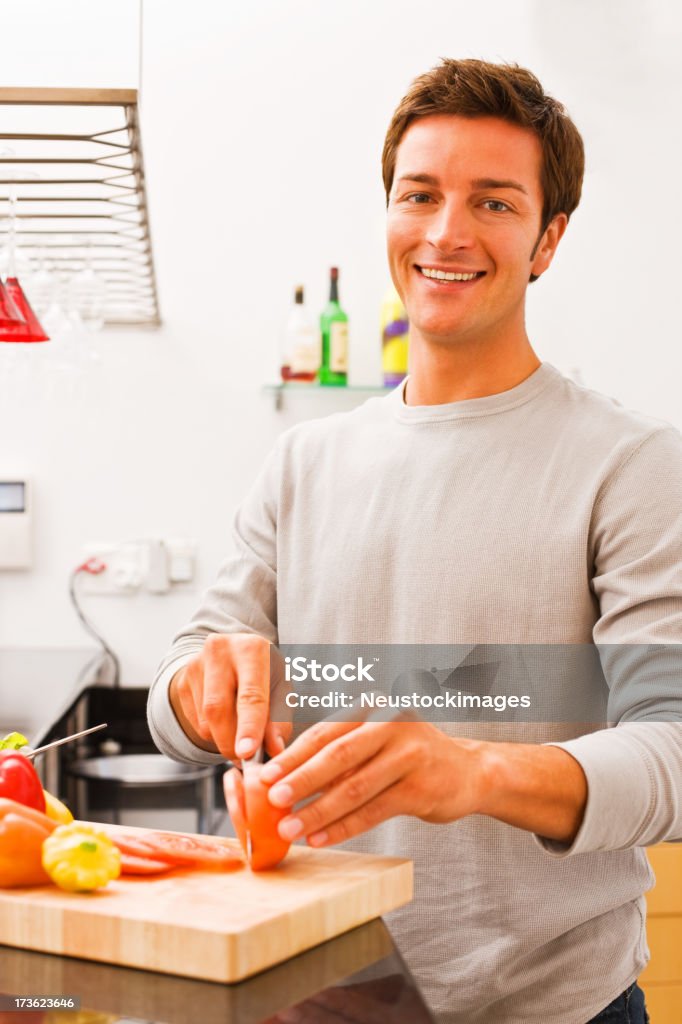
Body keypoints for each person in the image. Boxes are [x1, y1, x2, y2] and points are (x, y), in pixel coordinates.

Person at [148, 59, 682, 1024]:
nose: (447, 233)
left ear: (548, 240)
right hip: (322, 995)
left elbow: (674, 751)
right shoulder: (301, 462)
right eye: (420, 195)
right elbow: (179, 690)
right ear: (388, 213)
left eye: (495, 202)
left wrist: (473, 771)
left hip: (557, 1010)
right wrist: (197, 688)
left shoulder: (630, 464)